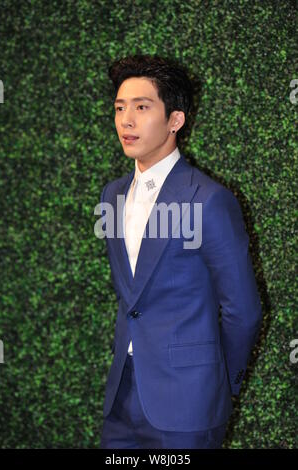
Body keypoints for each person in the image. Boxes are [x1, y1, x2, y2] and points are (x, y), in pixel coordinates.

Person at [99, 55, 262, 449]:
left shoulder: (208, 200)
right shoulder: (112, 195)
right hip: (122, 397)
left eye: (142, 107)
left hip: (190, 404)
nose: (126, 120)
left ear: (175, 120)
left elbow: (244, 310)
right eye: (120, 108)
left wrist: (219, 383)